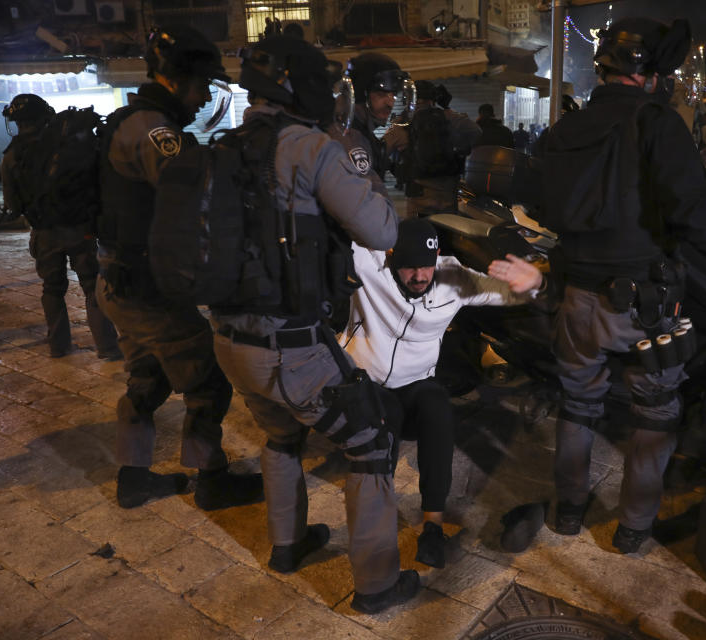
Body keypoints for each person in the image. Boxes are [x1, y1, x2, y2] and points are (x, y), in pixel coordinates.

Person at [499, 17, 706, 555]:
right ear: (648, 73)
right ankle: (632, 530)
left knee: (577, 407)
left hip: (577, 299)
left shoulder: (564, 130)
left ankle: (569, 513)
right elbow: (694, 209)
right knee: (656, 413)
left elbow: (546, 207)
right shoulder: (656, 122)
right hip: (644, 305)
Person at [211, 36, 419, 614]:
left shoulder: (224, 145)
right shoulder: (311, 147)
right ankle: (378, 584)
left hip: (230, 342)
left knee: (281, 435)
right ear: (301, 88)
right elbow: (379, 230)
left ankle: (288, 545)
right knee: (371, 441)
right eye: (326, 87)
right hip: (290, 345)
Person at [95, 25, 262, 511]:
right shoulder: (154, 130)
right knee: (206, 378)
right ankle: (213, 480)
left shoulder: (133, 120)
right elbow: (193, 194)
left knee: (146, 379)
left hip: (120, 281)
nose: (206, 96)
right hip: (146, 289)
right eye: (202, 85)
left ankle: (134, 477)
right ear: (176, 79)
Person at [341, 218, 542, 569]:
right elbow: (345, 219)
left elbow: (508, 292)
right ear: (391, 260)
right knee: (380, 423)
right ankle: (377, 528)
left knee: (438, 406)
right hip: (368, 387)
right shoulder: (370, 269)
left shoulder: (452, 279)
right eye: (409, 268)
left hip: (416, 388)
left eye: (426, 266)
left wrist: (535, 283)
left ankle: (432, 526)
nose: (419, 276)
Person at [0, 94, 121, 360]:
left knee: (52, 289)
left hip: (44, 233)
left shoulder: (11, 156)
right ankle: (107, 347)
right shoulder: (68, 143)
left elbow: (13, 205)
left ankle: (58, 346)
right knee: (92, 287)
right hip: (80, 229)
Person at [327, 52, 411, 197]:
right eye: (381, 94)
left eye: (394, 95)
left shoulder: (367, 128)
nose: (391, 103)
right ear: (360, 95)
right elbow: (365, 198)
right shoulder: (347, 136)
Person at [403, 81, 480, 216]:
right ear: (434, 99)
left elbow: (383, 147)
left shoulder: (405, 122)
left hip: (419, 194)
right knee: (447, 232)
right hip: (447, 192)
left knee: (419, 233)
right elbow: (476, 132)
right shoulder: (450, 117)